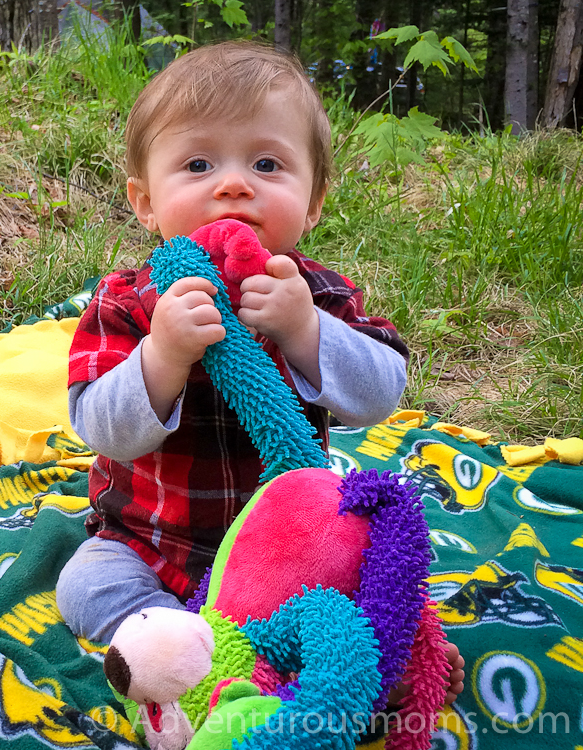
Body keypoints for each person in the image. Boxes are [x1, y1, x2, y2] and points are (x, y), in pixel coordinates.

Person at [55, 40, 464, 703]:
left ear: (313, 202)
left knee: (376, 574)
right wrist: (162, 358)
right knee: (84, 584)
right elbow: (100, 428)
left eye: (268, 164)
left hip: (292, 551)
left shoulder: (318, 294)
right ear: (145, 202)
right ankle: (189, 658)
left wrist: (305, 331)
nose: (234, 184)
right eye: (197, 163)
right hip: (152, 540)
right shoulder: (125, 302)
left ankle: (378, 660)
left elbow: (380, 394)